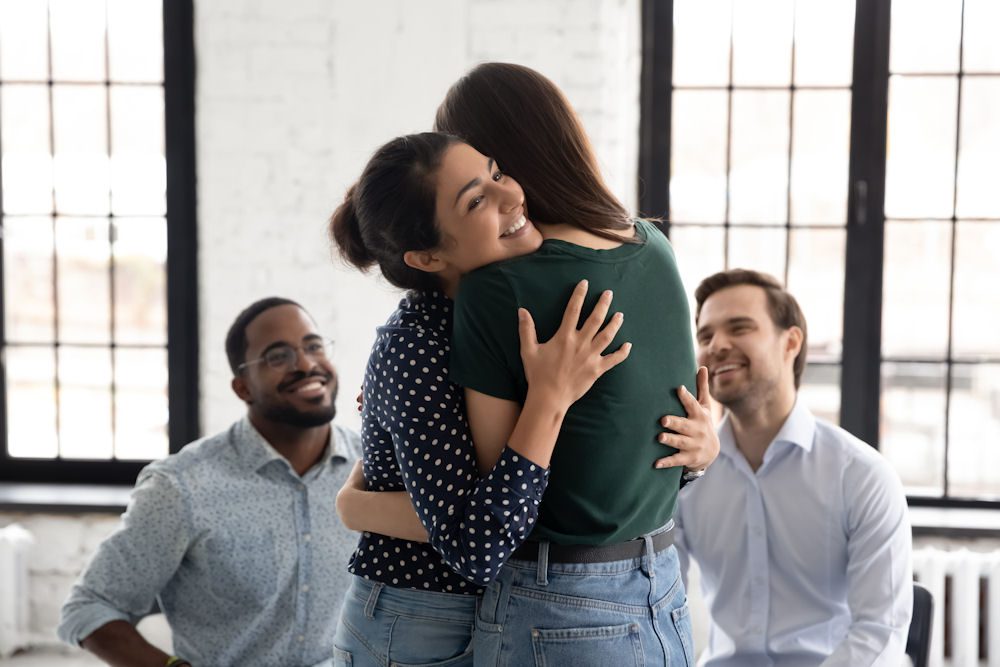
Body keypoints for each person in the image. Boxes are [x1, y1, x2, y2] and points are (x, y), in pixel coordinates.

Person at [433, 62, 713, 665]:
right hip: (663, 585)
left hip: (556, 601)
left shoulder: (498, 288)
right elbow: (655, 441)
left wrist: (355, 502)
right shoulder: (652, 246)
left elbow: (495, 502)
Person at [328, 131, 640, 667]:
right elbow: (475, 547)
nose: (512, 196)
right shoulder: (415, 347)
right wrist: (548, 399)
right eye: (475, 200)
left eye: (497, 173)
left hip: (515, 611)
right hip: (417, 621)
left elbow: (590, 462)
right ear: (426, 257)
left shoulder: (522, 312)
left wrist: (695, 456)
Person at [58, 297, 362, 667]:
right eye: (278, 356)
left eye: (313, 346)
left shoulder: (376, 468)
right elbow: (89, 607)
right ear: (242, 388)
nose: (306, 364)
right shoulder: (182, 486)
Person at [674, 269, 912, 666]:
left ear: (791, 342)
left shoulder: (861, 475)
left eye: (739, 327)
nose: (716, 346)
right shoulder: (686, 480)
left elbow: (880, 634)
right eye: (705, 336)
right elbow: (660, 605)